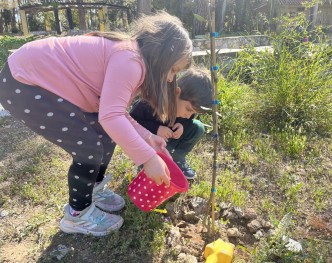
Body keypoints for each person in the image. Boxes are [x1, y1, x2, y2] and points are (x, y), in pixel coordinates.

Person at [0, 11, 192, 237]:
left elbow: (114, 112)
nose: (170, 79)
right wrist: (148, 159)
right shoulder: (131, 61)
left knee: (105, 134)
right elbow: (111, 117)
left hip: (32, 78)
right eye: (172, 70)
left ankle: (93, 187)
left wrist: (147, 138)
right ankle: (77, 215)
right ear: (160, 55)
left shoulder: (133, 59)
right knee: (88, 148)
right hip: (23, 82)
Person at [130, 67, 212, 179]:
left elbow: (188, 118)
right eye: (188, 109)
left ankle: (177, 160)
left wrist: (183, 125)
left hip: (168, 141)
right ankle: (147, 163)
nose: (188, 115)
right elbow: (132, 122)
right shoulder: (150, 102)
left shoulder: (185, 108)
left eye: (193, 112)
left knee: (198, 127)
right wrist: (156, 129)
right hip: (148, 142)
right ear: (176, 92)